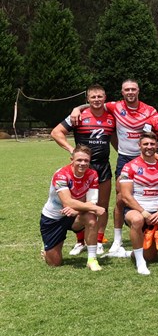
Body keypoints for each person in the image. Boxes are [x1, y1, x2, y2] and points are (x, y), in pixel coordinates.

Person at [71, 78, 156, 258]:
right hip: (124, 159)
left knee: (151, 194)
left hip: (145, 158)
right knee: (120, 198)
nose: (130, 92)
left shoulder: (150, 110)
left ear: (138, 90)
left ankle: (153, 231)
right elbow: (95, 103)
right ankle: (117, 240)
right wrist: (76, 108)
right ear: (122, 92)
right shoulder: (114, 106)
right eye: (127, 90)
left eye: (133, 89)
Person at [51, 84, 115, 255]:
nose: (96, 100)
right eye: (93, 97)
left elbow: (116, 139)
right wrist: (72, 150)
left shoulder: (111, 117)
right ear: (87, 99)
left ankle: (99, 241)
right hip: (82, 168)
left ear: (105, 97)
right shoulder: (79, 116)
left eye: (99, 96)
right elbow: (56, 132)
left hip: (103, 166)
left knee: (102, 205)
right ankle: (80, 242)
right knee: (81, 206)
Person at [40, 145, 105, 271]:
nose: (83, 163)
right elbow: (67, 201)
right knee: (54, 262)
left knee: (91, 218)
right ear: (72, 160)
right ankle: (47, 249)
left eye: (86, 161)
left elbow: (92, 202)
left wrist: (77, 210)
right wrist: (95, 208)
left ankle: (92, 259)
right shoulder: (61, 175)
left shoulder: (92, 174)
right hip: (53, 218)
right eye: (79, 160)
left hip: (75, 215)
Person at [119, 133, 158, 275]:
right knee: (137, 220)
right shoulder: (129, 167)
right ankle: (140, 262)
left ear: (156, 146)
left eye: (152, 144)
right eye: (145, 144)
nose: (149, 147)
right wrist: (143, 212)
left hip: (155, 213)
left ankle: (131, 253)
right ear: (139, 146)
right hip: (135, 210)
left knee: (151, 256)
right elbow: (125, 196)